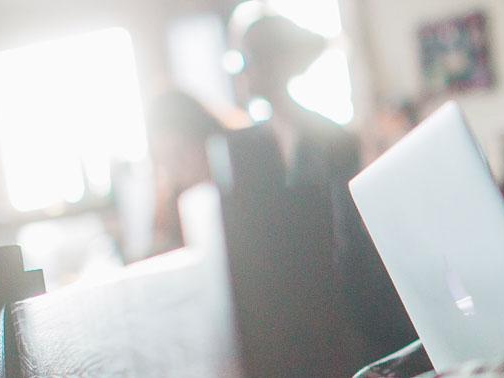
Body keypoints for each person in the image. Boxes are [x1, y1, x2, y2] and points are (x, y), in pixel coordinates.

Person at [233, 15, 417, 359]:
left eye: (247, 59)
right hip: (287, 300)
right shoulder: (248, 148)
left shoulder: (332, 139)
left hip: (341, 301)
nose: (240, 72)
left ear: (276, 63)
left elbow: (347, 242)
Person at [144, 90, 226, 256]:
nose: (176, 170)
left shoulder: (241, 191)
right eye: (165, 161)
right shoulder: (172, 211)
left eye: (179, 154)